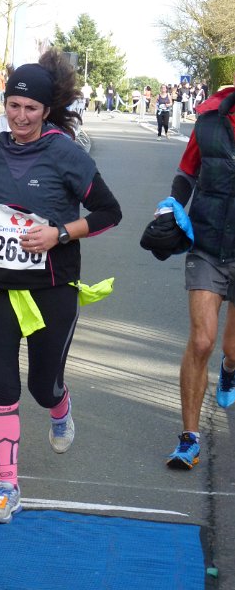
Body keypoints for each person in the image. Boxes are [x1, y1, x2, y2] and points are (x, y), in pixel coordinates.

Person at [0, 49, 122, 523]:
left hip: (53, 287)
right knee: (1, 383)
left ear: (46, 110)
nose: (20, 117)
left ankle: (60, 406)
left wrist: (60, 233)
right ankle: (6, 487)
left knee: (42, 385)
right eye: (13, 106)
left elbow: (109, 212)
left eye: (31, 109)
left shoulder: (66, 154)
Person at [161, 86, 235, 470]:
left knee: (231, 348)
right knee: (202, 340)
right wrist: (172, 205)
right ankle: (189, 439)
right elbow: (187, 171)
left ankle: (229, 369)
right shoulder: (208, 120)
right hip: (207, 244)